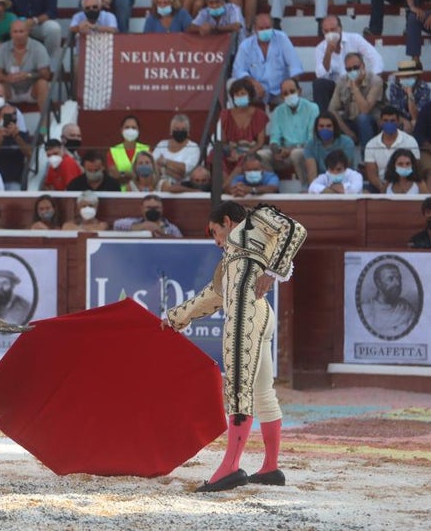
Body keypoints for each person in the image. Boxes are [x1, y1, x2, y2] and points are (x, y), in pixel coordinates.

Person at [168, 202, 305, 492]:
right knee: (263, 391)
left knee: (239, 387)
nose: (217, 241)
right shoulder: (230, 259)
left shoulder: (256, 220)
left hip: (246, 314)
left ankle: (230, 467)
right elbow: (212, 296)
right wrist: (174, 318)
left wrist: (272, 271)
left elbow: (294, 229)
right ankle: (270, 466)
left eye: (216, 233)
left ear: (228, 221)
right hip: (259, 313)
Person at [313, 15, 384, 112]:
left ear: (340, 28)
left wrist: (369, 80)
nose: (330, 33)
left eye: (333, 29)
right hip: (336, 88)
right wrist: (328, 54)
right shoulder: (320, 48)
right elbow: (321, 75)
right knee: (319, 84)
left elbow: (376, 58)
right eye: (326, 31)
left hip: (358, 82)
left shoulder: (355, 39)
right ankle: (324, 120)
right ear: (323, 32)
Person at [232, 14, 303, 105]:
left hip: (280, 90)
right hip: (255, 91)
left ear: (272, 27)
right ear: (255, 29)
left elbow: (295, 65)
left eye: (268, 28)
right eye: (261, 28)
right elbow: (238, 70)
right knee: (232, 84)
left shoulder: (282, 38)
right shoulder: (246, 45)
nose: (265, 31)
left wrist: (288, 85)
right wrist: (253, 82)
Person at [363, 106, 422, 193]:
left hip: (406, 183)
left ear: (398, 122)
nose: (389, 124)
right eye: (385, 121)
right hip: (380, 185)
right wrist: (384, 190)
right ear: (380, 122)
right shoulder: (371, 144)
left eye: (392, 121)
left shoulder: (410, 141)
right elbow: (372, 175)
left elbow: (416, 168)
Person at [361, 261, 418, 339]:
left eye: (399, 278)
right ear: (378, 283)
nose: (397, 283)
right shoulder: (366, 310)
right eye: (390, 279)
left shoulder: (406, 308)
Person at [0, 103, 32, 191]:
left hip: (15, 181)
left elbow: (29, 154)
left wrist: (17, 137)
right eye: (5, 116)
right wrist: (0, 139)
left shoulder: (23, 135)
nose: (8, 119)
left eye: (12, 116)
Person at [113, 194, 182, 238]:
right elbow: (116, 224)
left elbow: (180, 243)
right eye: (149, 207)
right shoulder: (135, 222)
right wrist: (142, 226)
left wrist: (161, 231)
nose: (152, 210)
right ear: (142, 209)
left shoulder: (172, 228)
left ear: (162, 209)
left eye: (156, 208)